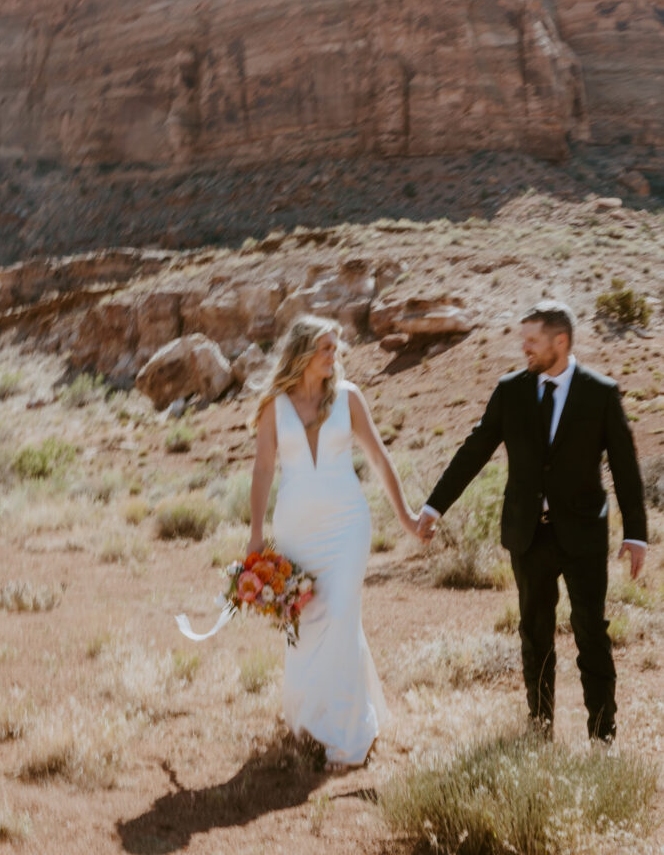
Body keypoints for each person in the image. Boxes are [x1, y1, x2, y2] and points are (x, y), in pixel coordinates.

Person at [418, 300, 648, 742]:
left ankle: (603, 736)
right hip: (528, 535)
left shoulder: (600, 392)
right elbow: (474, 450)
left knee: (591, 634)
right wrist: (433, 508)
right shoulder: (511, 390)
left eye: (532, 340)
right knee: (534, 634)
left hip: (583, 535)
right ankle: (539, 731)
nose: (524, 348)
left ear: (560, 342)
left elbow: (625, 465)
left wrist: (636, 533)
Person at [248, 314, 426, 768]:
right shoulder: (274, 404)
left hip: (347, 526)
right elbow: (264, 470)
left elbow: (380, 458)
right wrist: (254, 535)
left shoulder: (349, 399)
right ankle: (310, 722)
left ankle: (349, 739)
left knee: (343, 616)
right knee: (306, 625)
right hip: (296, 531)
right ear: (304, 353)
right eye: (327, 348)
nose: (335, 356)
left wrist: (405, 517)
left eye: (336, 348)